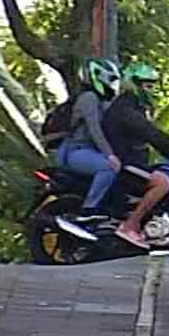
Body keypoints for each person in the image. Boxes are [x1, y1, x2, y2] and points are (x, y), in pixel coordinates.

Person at [102, 62, 169, 248]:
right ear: (134, 84)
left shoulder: (133, 107)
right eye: (148, 85)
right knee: (163, 182)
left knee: (166, 174)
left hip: (132, 161)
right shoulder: (126, 108)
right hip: (125, 163)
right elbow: (149, 133)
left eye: (153, 85)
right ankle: (130, 225)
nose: (152, 90)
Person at [56, 58, 124, 222]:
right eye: (111, 79)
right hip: (75, 151)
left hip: (87, 150)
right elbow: (95, 129)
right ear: (98, 76)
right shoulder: (89, 98)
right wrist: (110, 155)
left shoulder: (101, 101)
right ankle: (89, 209)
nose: (113, 84)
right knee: (109, 167)